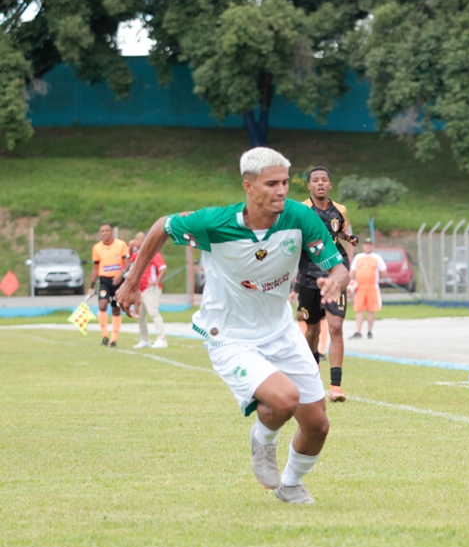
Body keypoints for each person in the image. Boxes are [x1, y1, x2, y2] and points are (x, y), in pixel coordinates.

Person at [116, 147, 349, 504]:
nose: (281, 190)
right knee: (283, 400)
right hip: (230, 337)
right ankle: (263, 441)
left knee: (317, 424)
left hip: (281, 332)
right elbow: (162, 226)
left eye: (285, 182)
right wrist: (132, 282)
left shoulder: (300, 217)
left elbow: (339, 265)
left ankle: (290, 485)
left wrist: (337, 280)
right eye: (271, 183)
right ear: (248, 186)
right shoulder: (214, 223)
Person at [295, 166, 357, 402]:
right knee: (312, 329)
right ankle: (311, 375)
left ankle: (336, 387)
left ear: (330, 185)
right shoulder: (301, 210)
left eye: (324, 180)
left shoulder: (339, 210)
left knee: (336, 326)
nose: (320, 184)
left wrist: (348, 237)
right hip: (309, 276)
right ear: (309, 186)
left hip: (335, 274)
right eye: (315, 181)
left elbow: (339, 231)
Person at [90, 223, 129, 347]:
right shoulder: (97, 248)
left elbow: (128, 263)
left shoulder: (121, 245)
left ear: (112, 232)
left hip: (118, 281)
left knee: (116, 308)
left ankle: (114, 339)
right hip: (104, 281)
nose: (105, 233)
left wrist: (121, 274)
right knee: (102, 304)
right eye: (102, 231)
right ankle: (104, 335)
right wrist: (91, 285)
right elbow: (95, 268)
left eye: (107, 230)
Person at [129, 231, 168, 349]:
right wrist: (130, 247)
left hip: (150, 288)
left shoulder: (152, 253)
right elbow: (129, 262)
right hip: (140, 289)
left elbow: (163, 268)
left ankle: (162, 338)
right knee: (140, 315)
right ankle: (145, 339)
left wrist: (157, 280)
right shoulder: (138, 254)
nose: (135, 241)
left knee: (153, 312)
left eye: (138, 239)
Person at [349, 240, 388, 340]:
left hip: (372, 288)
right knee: (359, 310)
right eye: (366, 244)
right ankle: (358, 331)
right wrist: (349, 283)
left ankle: (370, 331)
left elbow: (384, 272)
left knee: (371, 310)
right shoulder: (358, 257)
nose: (368, 247)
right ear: (363, 246)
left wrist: (382, 277)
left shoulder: (377, 258)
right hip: (360, 288)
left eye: (370, 245)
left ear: (372, 246)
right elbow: (352, 271)